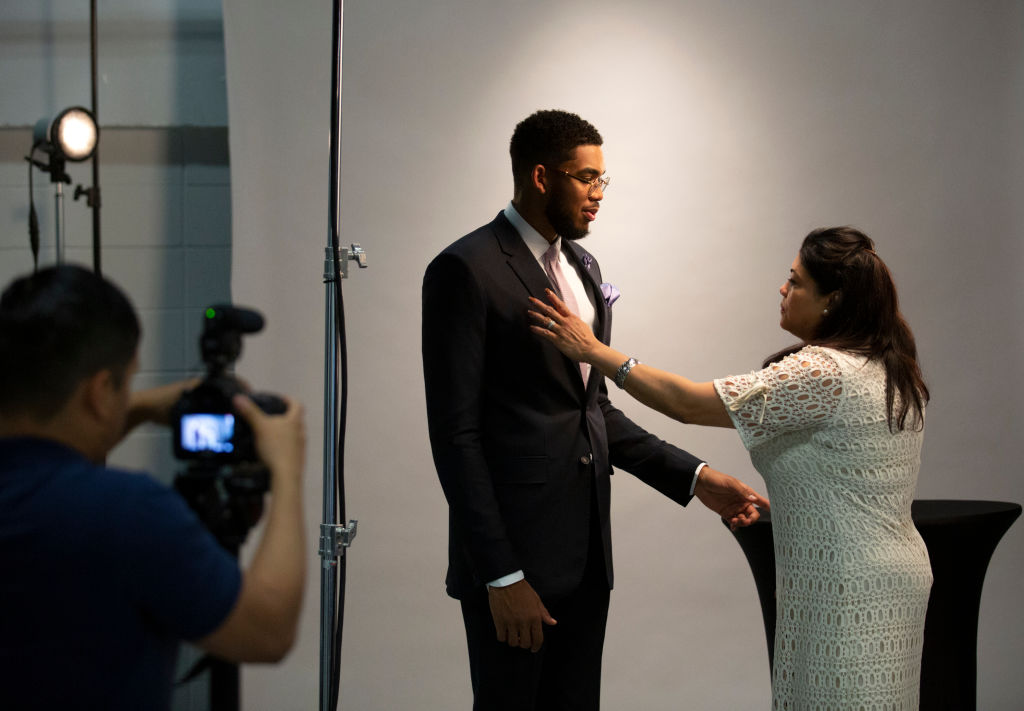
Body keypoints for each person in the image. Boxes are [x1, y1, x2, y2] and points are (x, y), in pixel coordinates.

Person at [422, 109, 768, 711]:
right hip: (515, 569)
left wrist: (696, 478)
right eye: (586, 179)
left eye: (603, 181)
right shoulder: (465, 270)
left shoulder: (584, 268)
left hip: (586, 564)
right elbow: (456, 437)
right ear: (539, 176)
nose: (598, 195)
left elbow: (592, 412)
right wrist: (501, 575)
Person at [529, 226, 933, 709]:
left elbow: (687, 403)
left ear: (834, 300)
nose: (784, 289)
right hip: (888, 577)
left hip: (846, 589)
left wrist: (595, 352)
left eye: (797, 281)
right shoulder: (886, 364)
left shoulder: (823, 371)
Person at [0, 265, 306, 710]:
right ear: (100, 391)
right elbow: (269, 631)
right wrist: (287, 469)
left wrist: (138, 407)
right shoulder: (124, 512)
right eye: (126, 384)